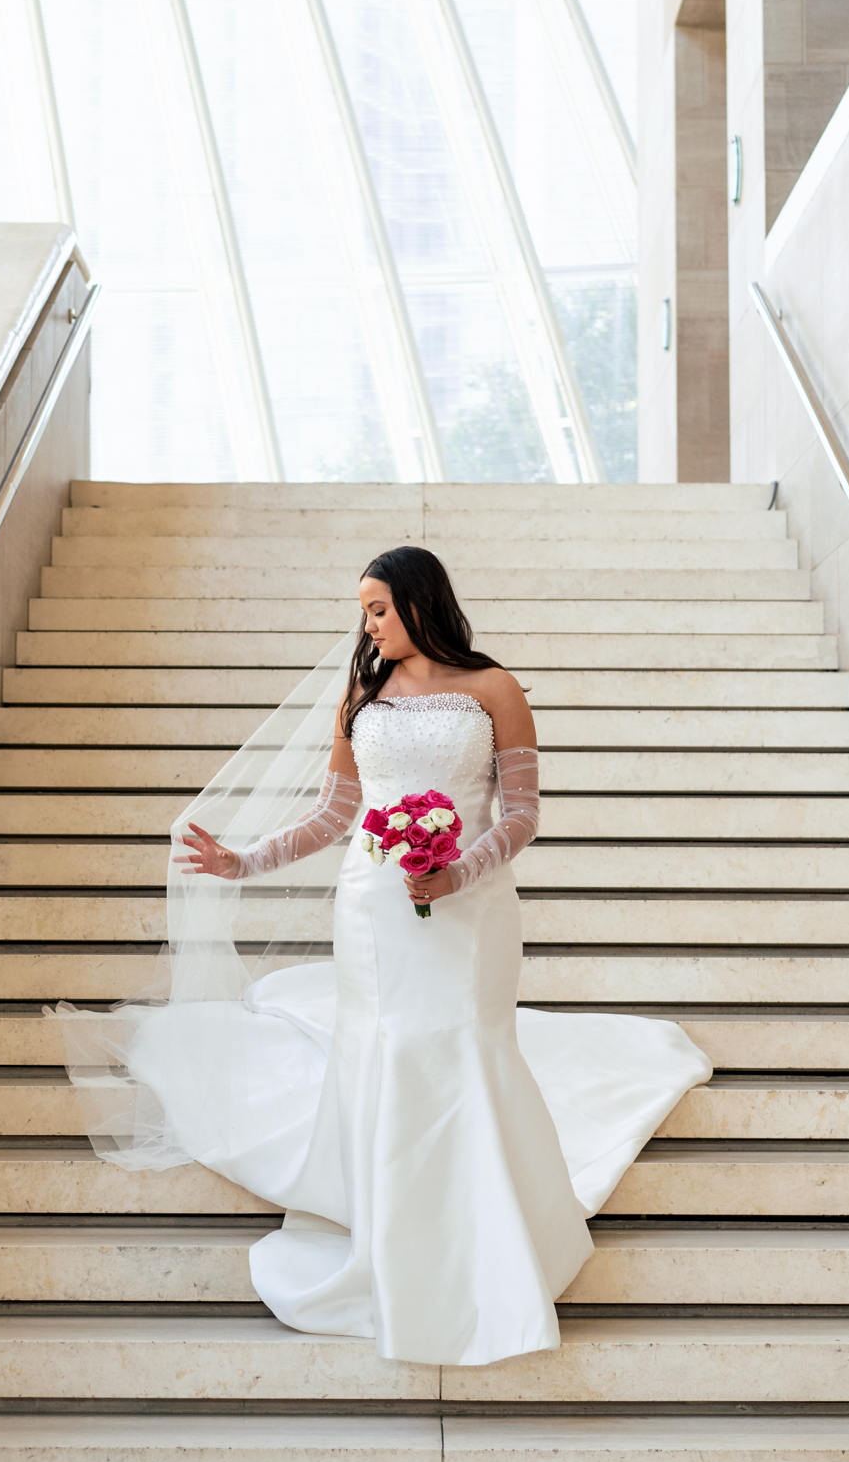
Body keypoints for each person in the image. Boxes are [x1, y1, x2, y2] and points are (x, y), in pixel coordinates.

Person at [111, 546, 712, 1367]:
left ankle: (490, 1238)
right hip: (372, 906)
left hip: (472, 903)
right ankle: (395, 1243)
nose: (366, 624)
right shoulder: (360, 692)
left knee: (464, 1045)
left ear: (419, 602)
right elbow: (334, 816)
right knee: (389, 1053)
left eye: (378, 608)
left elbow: (523, 814)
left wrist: (456, 871)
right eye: (363, 610)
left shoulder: (493, 688)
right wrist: (241, 862)